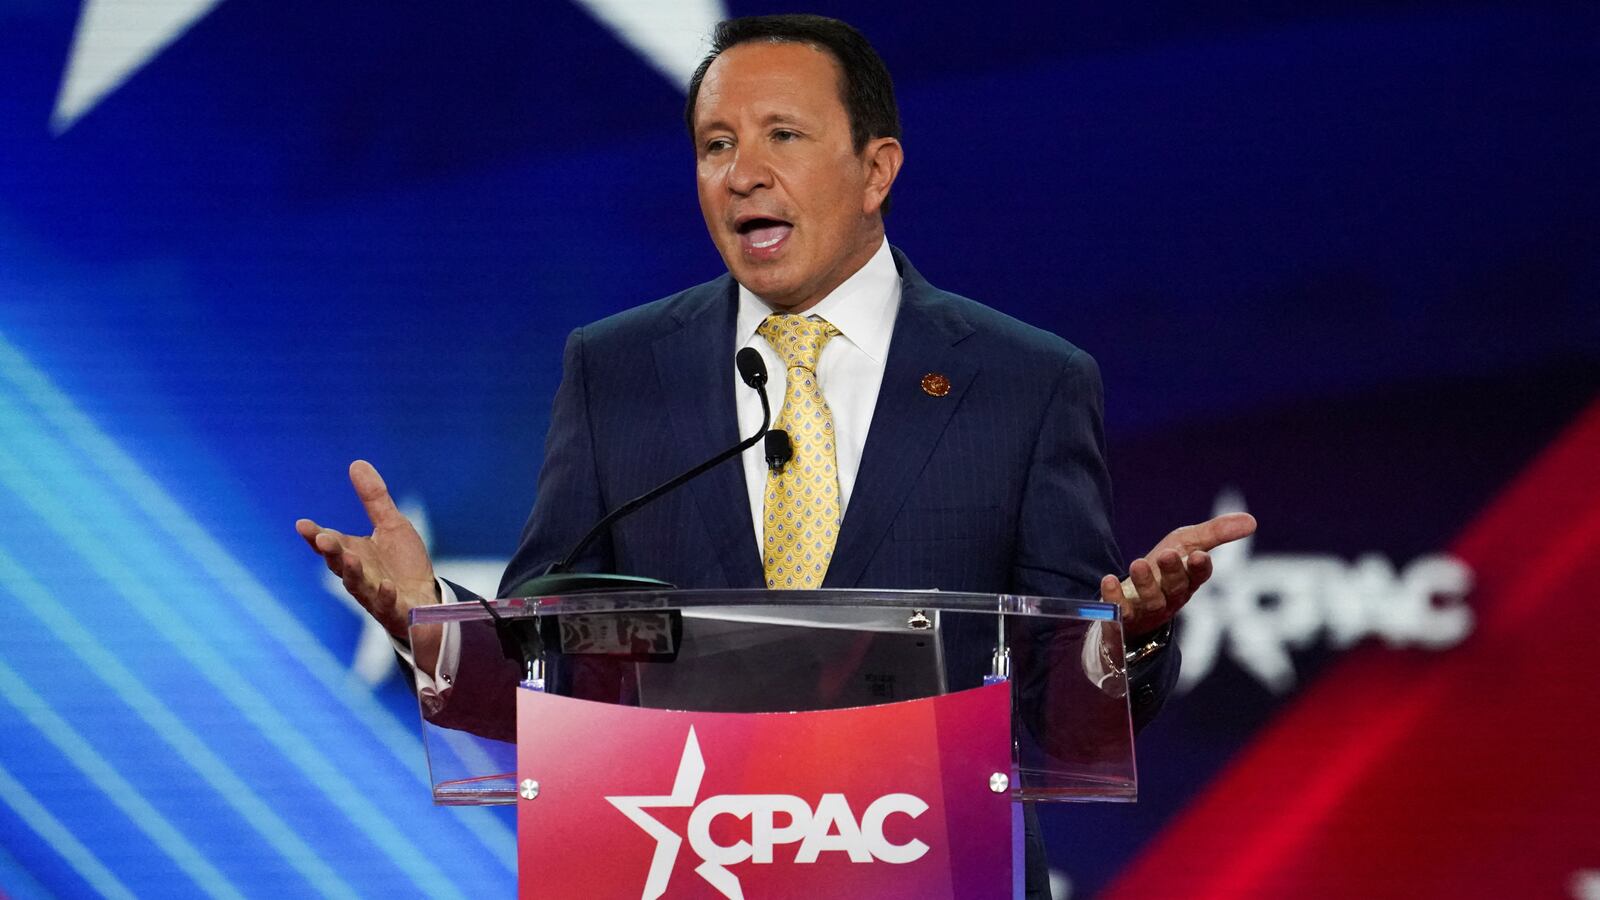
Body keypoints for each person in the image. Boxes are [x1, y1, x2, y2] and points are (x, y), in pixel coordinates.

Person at [296, 14, 1254, 898]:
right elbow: (548, 682)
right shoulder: (619, 370)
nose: (741, 172)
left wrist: (1121, 640)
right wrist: (430, 624)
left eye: (781, 136)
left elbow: (1057, 722)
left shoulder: (1024, 383)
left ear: (877, 170)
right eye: (717, 145)